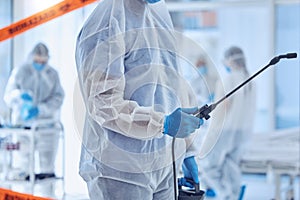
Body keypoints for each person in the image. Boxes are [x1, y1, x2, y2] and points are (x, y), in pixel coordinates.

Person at [75, 0, 204, 199]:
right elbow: (104, 103)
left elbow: (171, 80)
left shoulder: (158, 10)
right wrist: (163, 123)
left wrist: (186, 150)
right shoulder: (108, 19)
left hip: (165, 164)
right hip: (120, 171)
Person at [199, 46, 256, 200]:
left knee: (207, 164)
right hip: (242, 132)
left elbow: (223, 108)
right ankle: (234, 194)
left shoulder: (229, 79)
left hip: (226, 130)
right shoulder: (251, 80)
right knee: (231, 165)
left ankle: (226, 194)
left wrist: (211, 129)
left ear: (230, 60)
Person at [4, 43, 64, 180]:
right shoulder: (20, 71)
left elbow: (58, 98)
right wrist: (20, 96)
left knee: (47, 172)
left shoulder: (53, 75)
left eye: (43, 62)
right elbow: (8, 96)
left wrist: (41, 109)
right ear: (31, 58)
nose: (40, 64)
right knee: (23, 170)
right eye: (37, 61)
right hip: (22, 128)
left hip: (46, 128)